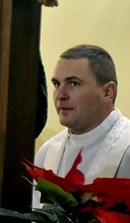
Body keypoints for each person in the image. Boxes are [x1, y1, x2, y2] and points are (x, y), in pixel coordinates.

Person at [36, 44, 130, 181]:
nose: (60, 95)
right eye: (57, 84)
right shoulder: (47, 153)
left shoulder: (126, 148)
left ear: (107, 92)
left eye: (74, 83)